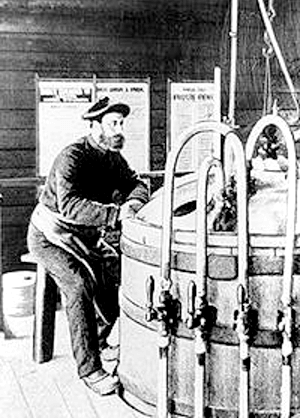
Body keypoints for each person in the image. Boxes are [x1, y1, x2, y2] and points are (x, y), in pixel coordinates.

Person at [27, 96, 149, 396]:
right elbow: (69, 207)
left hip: (85, 238)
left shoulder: (112, 157)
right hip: (50, 237)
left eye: (121, 124)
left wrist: (133, 201)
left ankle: (100, 336)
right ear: (94, 126)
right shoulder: (72, 157)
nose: (119, 130)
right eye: (113, 124)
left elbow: (137, 183)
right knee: (79, 287)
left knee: (115, 273)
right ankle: (90, 370)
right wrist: (116, 214)